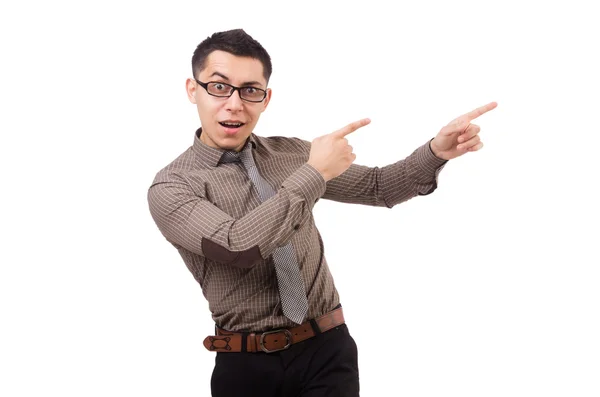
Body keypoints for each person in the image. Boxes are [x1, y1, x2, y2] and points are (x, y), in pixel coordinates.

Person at [147, 28, 497, 397]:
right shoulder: (173, 186)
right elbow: (237, 246)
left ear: (265, 99)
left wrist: (436, 151)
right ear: (192, 90)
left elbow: (380, 187)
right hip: (246, 367)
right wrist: (314, 174)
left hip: (327, 350)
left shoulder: (293, 155)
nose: (235, 104)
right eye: (219, 87)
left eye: (250, 90)